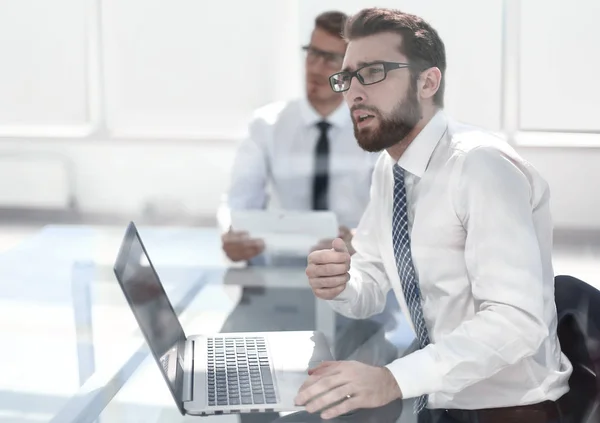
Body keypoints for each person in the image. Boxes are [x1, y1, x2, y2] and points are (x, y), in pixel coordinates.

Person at [296, 7, 573, 423]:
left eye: (371, 73)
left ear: (427, 81)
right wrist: (341, 283)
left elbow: (518, 321)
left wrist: (391, 380)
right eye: (347, 77)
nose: (353, 93)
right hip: (437, 397)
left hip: (508, 409)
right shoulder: (391, 168)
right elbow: (370, 277)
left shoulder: (480, 167)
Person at [220, 10, 378, 262]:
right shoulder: (267, 125)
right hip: (281, 266)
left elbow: (394, 217)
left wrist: (362, 240)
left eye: (329, 59)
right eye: (313, 53)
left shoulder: (375, 130)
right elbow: (239, 202)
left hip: (354, 269)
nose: (315, 68)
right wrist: (231, 234)